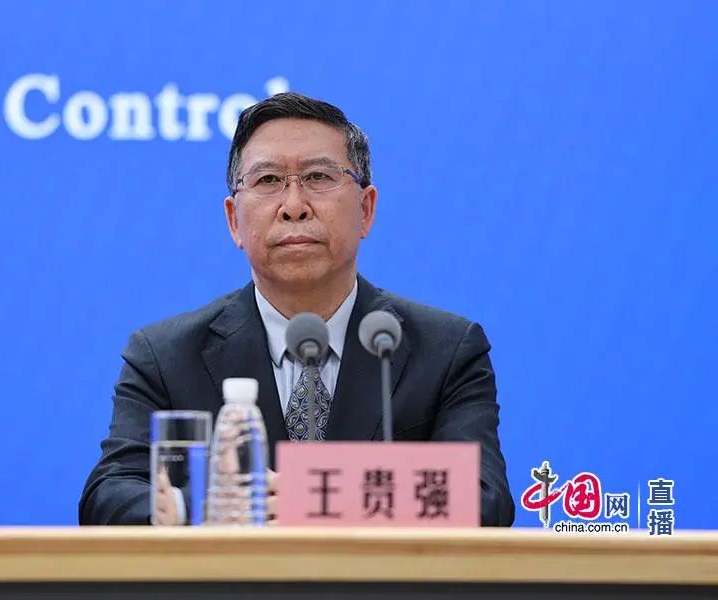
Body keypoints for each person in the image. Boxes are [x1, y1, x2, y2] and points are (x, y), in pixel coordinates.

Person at [79, 92, 514, 526]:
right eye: (268, 180)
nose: (293, 207)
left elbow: (486, 501)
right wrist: (208, 507)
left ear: (366, 210)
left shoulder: (445, 350)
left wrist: (318, 498)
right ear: (234, 221)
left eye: (318, 177)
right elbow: (107, 499)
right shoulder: (166, 357)